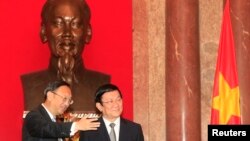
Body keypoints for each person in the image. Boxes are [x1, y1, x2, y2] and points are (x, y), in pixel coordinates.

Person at [21, 0, 110, 112]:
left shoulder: (101, 83)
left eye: (75, 24)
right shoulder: (31, 84)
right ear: (44, 31)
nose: (67, 33)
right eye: (58, 24)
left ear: (88, 32)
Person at [22, 80, 101, 141]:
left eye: (69, 101)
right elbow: (46, 129)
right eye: (64, 99)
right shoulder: (33, 116)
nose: (67, 104)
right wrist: (76, 125)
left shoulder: (57, 122)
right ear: (50, 95)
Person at [79, 84, 144, 141]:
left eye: (118, 100)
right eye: (110, 101)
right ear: (99, 106)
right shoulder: (89, 130)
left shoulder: (134, 129)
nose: (116, 105)